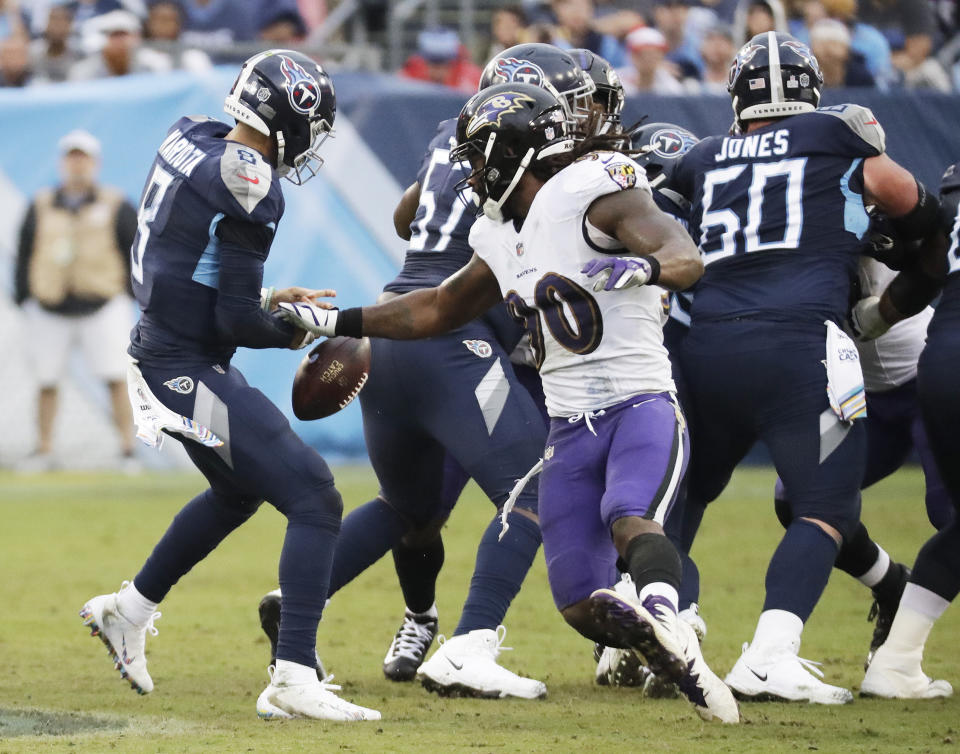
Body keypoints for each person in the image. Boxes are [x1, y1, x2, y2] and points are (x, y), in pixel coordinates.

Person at [278, 81, 740, 724]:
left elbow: (684, 255)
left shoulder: (595, 189)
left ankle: (671, 625)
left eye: (476, 156)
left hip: (639, 402)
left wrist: (648, 269)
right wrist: (339, 321)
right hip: (570, 427)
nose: (467, 170)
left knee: (630, 517)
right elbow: (438, 307)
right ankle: (652, 638)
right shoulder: (499, 233)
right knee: (579, 601)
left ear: (511, 150)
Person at [260, 43, 599, 702]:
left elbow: (408, 213)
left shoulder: (452, 132)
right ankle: (472, 642)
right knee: (537, 487)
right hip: (451, 336)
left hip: (391, 328)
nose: (573, 119)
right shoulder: (532, 150)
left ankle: (297, 600)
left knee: (408, 506)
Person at [78, 49, 380, 722]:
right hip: (181, 363)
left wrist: (269, 293)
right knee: (314, 494)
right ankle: (293, 674)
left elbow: (184, 258)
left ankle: (127, 611)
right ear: (286, 117)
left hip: (168, 346)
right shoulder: (249, 179)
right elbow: (236, 319)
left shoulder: (192, 136)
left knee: (239, 491)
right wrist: (305, 327)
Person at [668, 31, 945, 704]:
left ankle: (665, 634)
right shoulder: (830, 134)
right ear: (810, 92)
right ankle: (769, 655)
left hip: (707, 342)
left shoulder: (702, 156)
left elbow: (656, 228)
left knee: (686, 496)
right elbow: (909, 198)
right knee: (823, 506)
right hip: (797, 342)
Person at [857, 161, 958, 699]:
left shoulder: (887, 214)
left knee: (949, 516)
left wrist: (884, 310)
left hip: (923, 381)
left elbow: (933, 261)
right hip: (863, 399)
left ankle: (901, 656)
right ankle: (890, 587)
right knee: (799, 499)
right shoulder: (790, 223)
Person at [14, 130, 137, 471]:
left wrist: (128, 292)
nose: (77, 164)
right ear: (62, 162)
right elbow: (25, 252)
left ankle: (128, 450)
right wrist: (25, 296)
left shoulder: (115, 202)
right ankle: (44, 449)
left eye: (83, 158)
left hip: (102, 302)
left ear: (95, 163)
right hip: (50, 305)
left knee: (115, 376)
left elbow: (134, 251)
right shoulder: (41, 203)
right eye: (72, 157)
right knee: (46, 379)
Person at [68, 9, 171, 80]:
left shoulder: (155, 64)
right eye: (113, 35)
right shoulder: (84, 71)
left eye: (122, 34)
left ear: (136, 37)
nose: (118, 41)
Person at [400, 26, 483, 93]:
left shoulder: (471, 79)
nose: (437, 72)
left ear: (453, 62)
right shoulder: (410, 74)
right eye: (432, 63)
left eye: (443, 64)